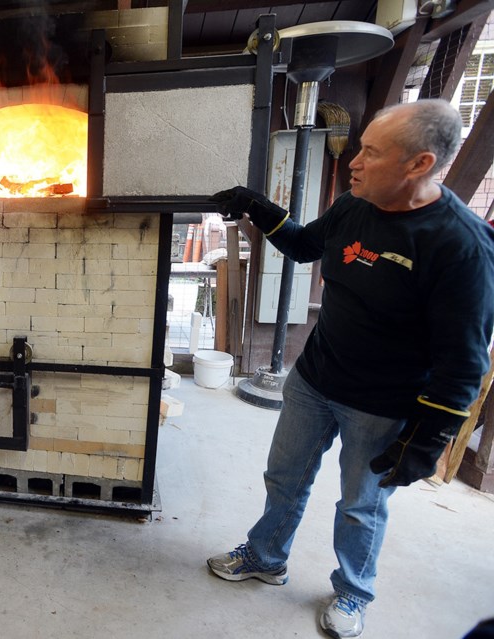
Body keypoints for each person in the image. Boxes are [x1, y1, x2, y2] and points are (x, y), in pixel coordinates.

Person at [205, 98, 494, 638]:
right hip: (315, 378)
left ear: (419, 164)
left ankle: (354, 592)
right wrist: (257, 206)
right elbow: (304, 246)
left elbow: (464, 363)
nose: (354, 162)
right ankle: (267, 556)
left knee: (362, 506)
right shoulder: (354, 205)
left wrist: (426, 441)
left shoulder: (461, 246)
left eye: (371, 152)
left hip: (382, 405)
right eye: (359, 148)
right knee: (284, 478)